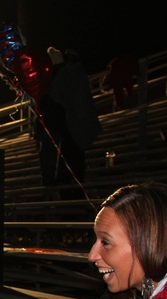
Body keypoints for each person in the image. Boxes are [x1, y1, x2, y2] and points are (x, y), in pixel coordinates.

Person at [35, 48, 102, 195]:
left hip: (64, 130)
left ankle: (61, 188)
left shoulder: (63, 79)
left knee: (65, 168)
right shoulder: (69, 77)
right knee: (68, 168)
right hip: (65, 130)